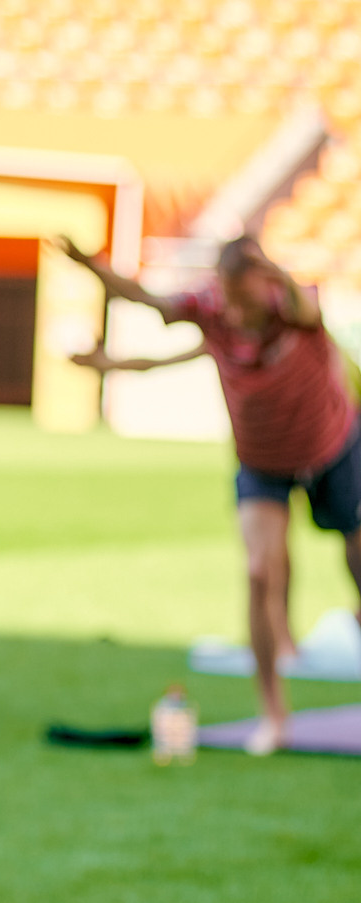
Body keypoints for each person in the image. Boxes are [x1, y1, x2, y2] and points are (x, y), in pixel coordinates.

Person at [63, 233, 361, 755]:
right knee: (257, 571)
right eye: (232, 299)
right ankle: (273, 715)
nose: (240, 313)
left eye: (248, 300)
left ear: (265, 284)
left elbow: (303, 304)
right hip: (262, 462)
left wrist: (270, 268)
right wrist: (92, 267)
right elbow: (146, 298)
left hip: (332, 448)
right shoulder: (212, 310)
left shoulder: (291, 305)